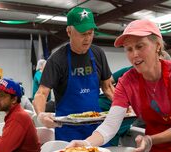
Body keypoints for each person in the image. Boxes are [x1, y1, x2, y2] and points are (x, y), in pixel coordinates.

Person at [69, 19, 171, 152]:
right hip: (155, 148)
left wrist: (151, 139)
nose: (134, 54)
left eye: (140, 46)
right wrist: (86, 143)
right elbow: (110, 126)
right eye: (128, 49)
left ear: (157, 45)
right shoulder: (126, 81)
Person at [33, 7, 114, 142]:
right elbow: (41, 93)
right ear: (69, 31)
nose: (87, 38)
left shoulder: (98, 54)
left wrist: (125, 106)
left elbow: (108, 88)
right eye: (83, 33)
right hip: (68, 130)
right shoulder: (57, 59)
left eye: (91, 33)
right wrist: (41, 115)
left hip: (96, 129)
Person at [0, 78, 41, 152]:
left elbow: (1, 150)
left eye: (1, 96)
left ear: (14, 99)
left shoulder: (18, 117)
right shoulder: (15, 114)